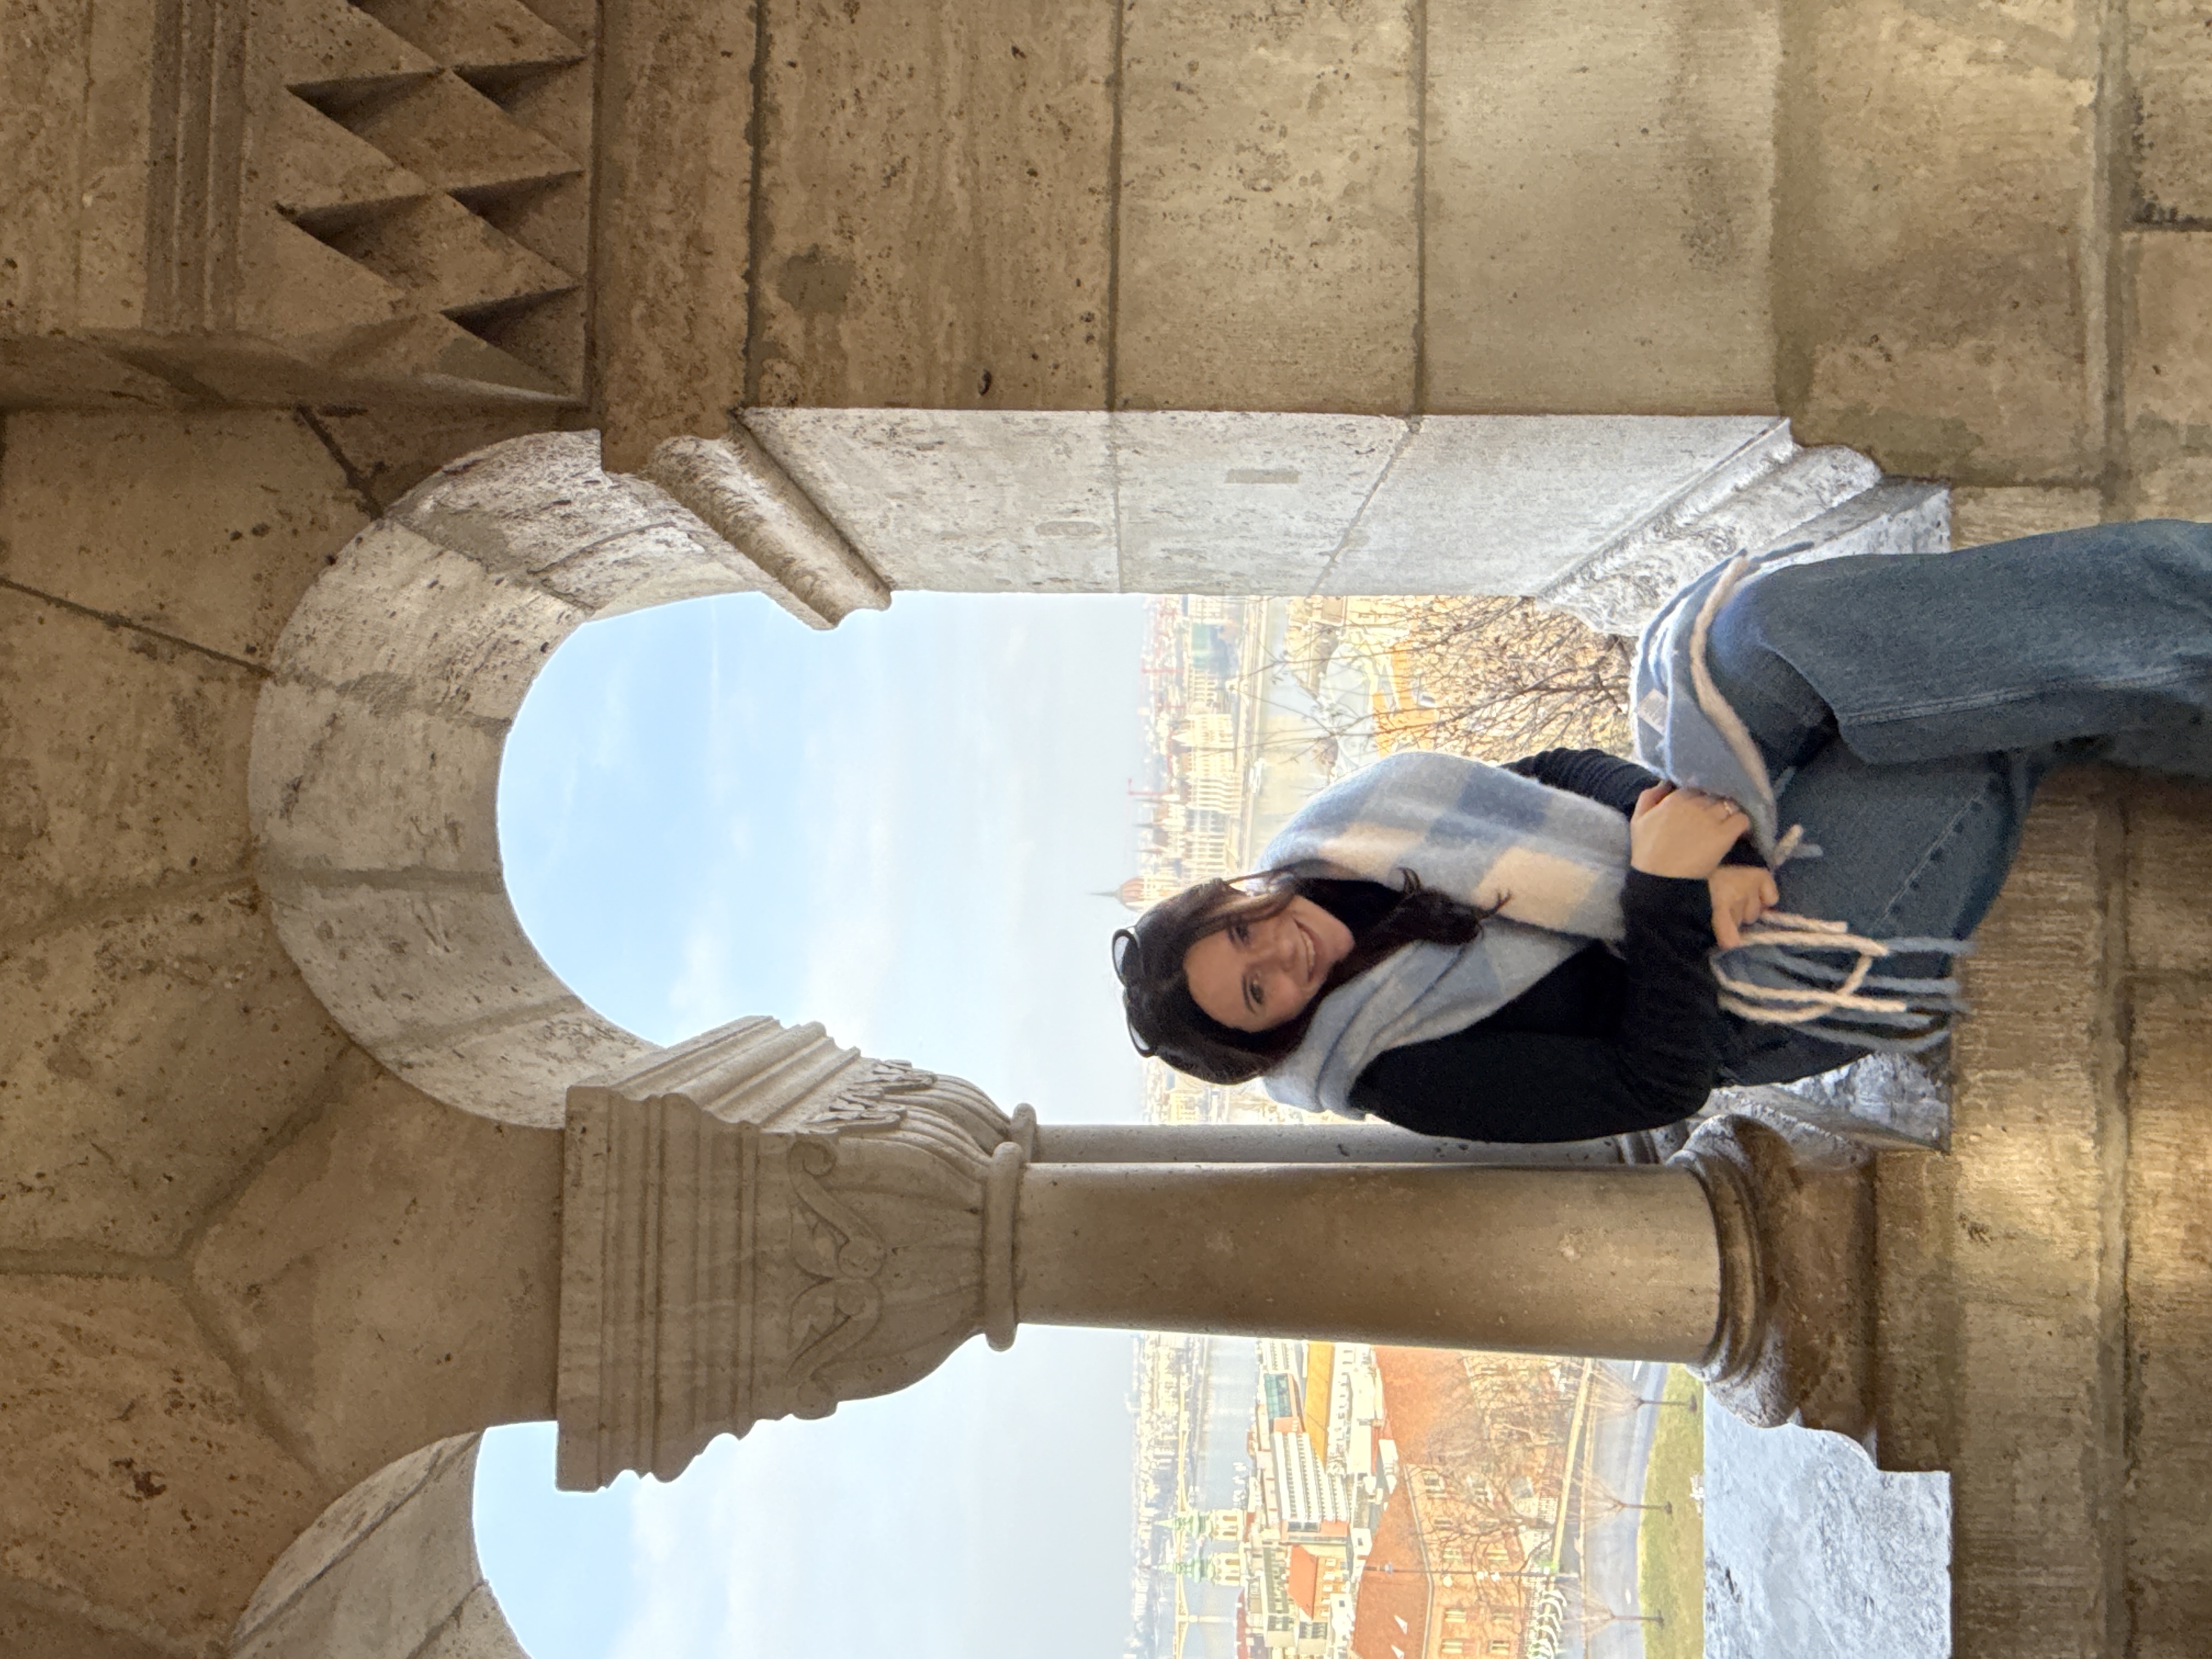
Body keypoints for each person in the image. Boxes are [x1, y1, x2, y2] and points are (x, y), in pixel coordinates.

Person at [1114, 520, 2212, 1143]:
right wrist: (1674, 899)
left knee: (1756, 634)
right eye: (1258, 994)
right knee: (1958, 717)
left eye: (1246, 934)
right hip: (1757, 985)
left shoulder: (1346, 837)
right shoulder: (1395, 1076)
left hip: (1701, 864)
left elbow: (1548, 776)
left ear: (1240, 896)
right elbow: (1656, 1088)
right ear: (1271, 1038)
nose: (1281, 954)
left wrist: (1696, 843)